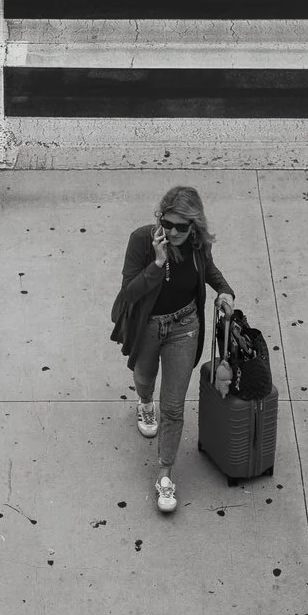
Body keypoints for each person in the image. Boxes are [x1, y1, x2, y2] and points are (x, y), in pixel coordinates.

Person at [109, 185, 237, 514]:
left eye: (182, 226)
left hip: (185, 326)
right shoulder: (141, 240)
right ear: (160, 219)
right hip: (148, 326)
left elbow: (209, 270)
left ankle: (165, 475)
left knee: (174, 406)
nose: (174, 232)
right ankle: (144, 402)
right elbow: (129, 293)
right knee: (144, 377)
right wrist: (157, 262)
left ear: (195, 225)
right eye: (167, 224)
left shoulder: (197, 244)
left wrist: (224, 290)